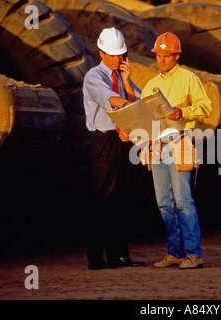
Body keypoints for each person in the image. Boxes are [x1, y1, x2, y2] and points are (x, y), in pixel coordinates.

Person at [141, 32, 212, 269]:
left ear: (176, 55)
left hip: (180, 142)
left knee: (183, 201)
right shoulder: (151, 85)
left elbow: (206, 107)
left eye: (166, 56)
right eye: (159, 55)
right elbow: (143, 117)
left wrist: (183, 112)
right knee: (164, 202)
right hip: (157, 146)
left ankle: (194, 254)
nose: (161, 60)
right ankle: (174, 253)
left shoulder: (189, 78)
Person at [82, 27, 144, 270]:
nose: (119, 59)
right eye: (114, 55)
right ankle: (96, 259)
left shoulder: (122, 76)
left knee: (120, 197)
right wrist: (131, 105)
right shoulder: (94, 77)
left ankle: (119, 255)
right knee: (101, 197)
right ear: (101, 53)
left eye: (122, 54)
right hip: (104, 139)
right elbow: (112, 100)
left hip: (123, 139)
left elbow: (135, 99)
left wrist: (127, 81)